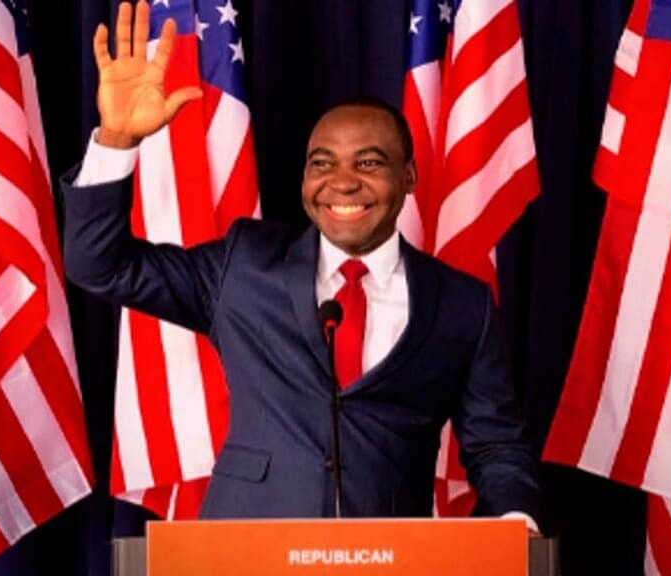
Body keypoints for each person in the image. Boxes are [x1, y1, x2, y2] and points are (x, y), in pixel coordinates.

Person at [62, 0, 542, 527]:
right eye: (322, 164)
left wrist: (516, 521)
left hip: (388, 561)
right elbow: (100, 265)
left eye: (368, 162)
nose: (342, 181)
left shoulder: (462, 305)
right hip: (243, 553)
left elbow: (496, 445)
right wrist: (117, 140)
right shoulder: (242, 266)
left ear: (408, 177)